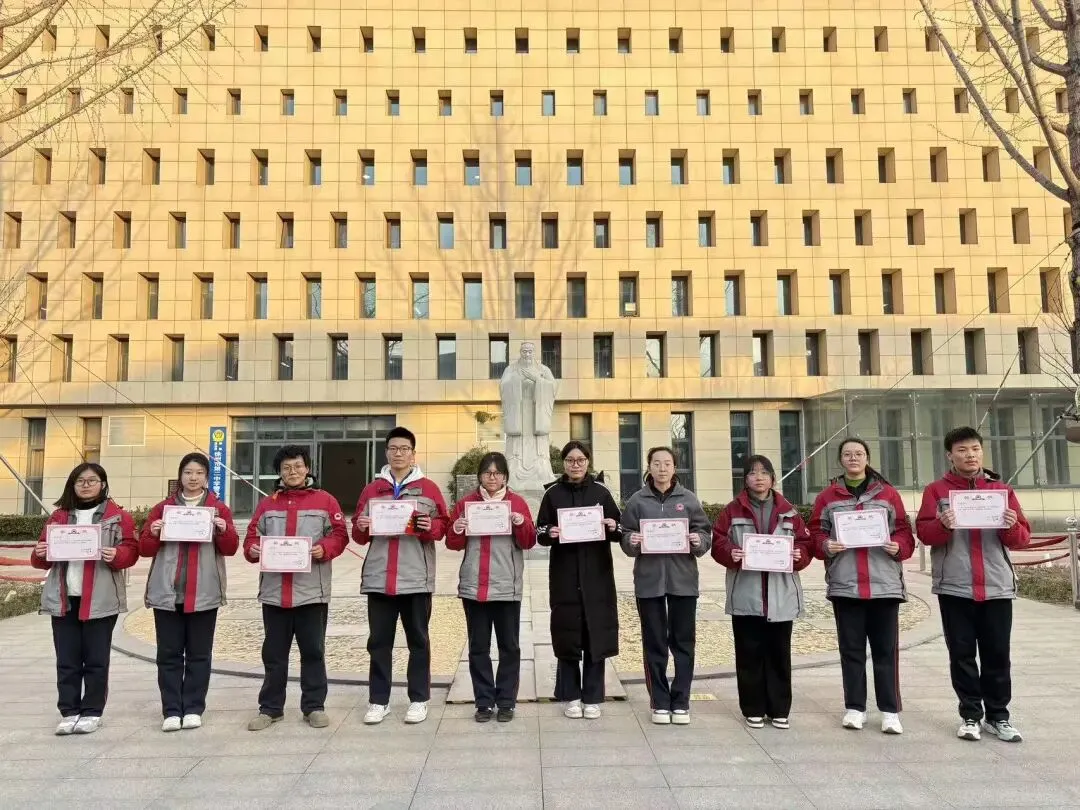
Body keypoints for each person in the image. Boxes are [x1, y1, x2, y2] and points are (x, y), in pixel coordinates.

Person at [915, 426, 1031, 743]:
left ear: (982, 452)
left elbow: (1022, 538)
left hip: (996, 585)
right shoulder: (936, 491)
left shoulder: (1001, 491)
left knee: (997, 654)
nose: (970, 455)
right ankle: (970, 715)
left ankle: (999, 716)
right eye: (962, 450)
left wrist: (1010, 525)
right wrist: (942, 524)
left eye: (975, 449)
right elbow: (924, 534)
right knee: (962, 654)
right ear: (950, 455)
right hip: (955, 585)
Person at [809, 438, 915, 735]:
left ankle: (890, 711)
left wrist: (899, 546)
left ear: (867, 458)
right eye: (847, 454)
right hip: (846, 584)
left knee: (886, 651)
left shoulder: (888, 494)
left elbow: (904, 531)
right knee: (851, 650)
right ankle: (855, 707)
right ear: (840, 460)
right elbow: (816, 532)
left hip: (884, 584)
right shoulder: (828, 496)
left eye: (858, 453)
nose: (853, 458)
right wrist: (826, 545)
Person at [243, 446, 350, 731]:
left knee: (313, 652)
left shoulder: (326, 500)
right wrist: (253, 550)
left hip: (311, 592)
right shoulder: (267, 504)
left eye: (298, 466)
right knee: (273, 655)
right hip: (275, 594)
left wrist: (324, 548)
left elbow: (340, 535)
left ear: (308, 468)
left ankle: (314, 706)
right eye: (286, 468)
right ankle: (270, 708)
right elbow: (251, 537)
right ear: (279, 472)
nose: (293, 472)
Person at [30, 463, 139, 735]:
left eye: (92, 480)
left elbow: (131, 550)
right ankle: (69, 711)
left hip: (100, 599)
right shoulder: (59, 517)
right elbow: (40, 559)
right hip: (64, 598)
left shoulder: (117, 516)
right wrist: (40, 552)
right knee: (66, 659)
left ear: (103, 484)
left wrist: (118, 555)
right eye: (80, 480)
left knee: (96, 659)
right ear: (72, 484)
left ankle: (92, 711)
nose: (86, 485)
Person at [353, 427, 449, 725]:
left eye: (404, 449)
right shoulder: (372, 489)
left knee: (418, 641)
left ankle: (419, 699)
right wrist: (362, 525)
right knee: (379, 642)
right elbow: (358, 534)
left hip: (415, 577)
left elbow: (443, 527)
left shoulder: (429, 488)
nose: (398, 453)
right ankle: (378, 701)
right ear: (386, 452)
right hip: (379, 578)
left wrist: (429, 527)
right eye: (393, 448)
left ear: (413, 453)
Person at [140, 452, 240, 732]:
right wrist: (153, 532)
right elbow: (144, 549)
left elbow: (231, 548)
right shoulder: (163, 509)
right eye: (188, 472)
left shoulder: (218, 509)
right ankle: (172, 710)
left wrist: (223, 530)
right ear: (180, 476)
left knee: (199, 654)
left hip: (204, 592)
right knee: (168, 654)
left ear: (207, 478)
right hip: (166, 592)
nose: (193, 478)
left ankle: (194, 707)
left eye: (198, 473)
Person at [712, 455, 813, 729]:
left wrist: (798, 555)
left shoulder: (789, 511)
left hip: (781, 595)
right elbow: (718, 542)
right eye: (752, 473)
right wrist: (730, 553)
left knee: (779, 654)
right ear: (745, 479)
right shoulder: (732, 511)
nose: (759, 477)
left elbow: (806, 544)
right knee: (748, 654)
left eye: (764, 472)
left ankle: (779, 709)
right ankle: (753, 708)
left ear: (773, 478)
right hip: (746, 593)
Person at [620, 447, 712, 726]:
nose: (662, 468)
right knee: (654, 642)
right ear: (649, 466)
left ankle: (681, 700)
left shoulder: (689, 499)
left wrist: (698, 541)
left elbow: (704, 531)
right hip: (649, 582)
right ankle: (659, 700)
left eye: (667, 463)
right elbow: (625, 534)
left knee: (683, 642)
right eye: (657, 463)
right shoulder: (637, 500)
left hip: (683, 581)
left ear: (675, 468)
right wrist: (631, 541)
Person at [446, 451, 536, 723]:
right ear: (480, 476)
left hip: (506, 586)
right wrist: (457, 528)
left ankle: (506, 701)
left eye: (497, 473)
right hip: (474, 587)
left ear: (505, 476)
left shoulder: (516, 503)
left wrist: (521, 524)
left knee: (509, 647)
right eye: (487, 473)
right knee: (478, 648)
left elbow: (529, 541)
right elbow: (452, 543)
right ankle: (483, 702)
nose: (492, 477)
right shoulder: (466, 504)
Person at [536, 440, 621, 720]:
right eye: (570, 460)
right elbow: (540, 531)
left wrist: (612, 526)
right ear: (563, 463)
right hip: (565, 574)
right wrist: (551, 532)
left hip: (597, 574)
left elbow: (619, 528)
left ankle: (592, 697)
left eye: (580, 460)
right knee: (567, 633)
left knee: (596, 632)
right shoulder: (552, 493)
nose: (575, 465)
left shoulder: (601, 492)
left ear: (588, 462)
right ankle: (571, 695)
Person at [499, 341, 558, 493]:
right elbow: (503, 387)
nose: (527, 354)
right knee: (515, 451)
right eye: (524, 351)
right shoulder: (511, 369)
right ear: (520, 352)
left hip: (536, 414)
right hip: (517, 415)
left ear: (534, 353)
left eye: (530, 351)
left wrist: (537, 380)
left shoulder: (543, 370)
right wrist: (517, 381)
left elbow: (553, 387)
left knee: (539, 452)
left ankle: (542, 474)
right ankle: (513, 476)